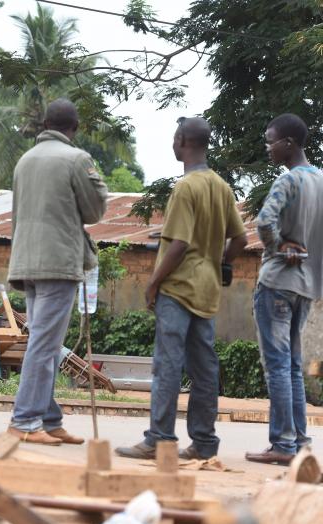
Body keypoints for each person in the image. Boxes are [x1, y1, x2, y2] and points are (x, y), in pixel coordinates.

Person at [116, 117, 247, 460]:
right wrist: (221, 265)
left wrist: (154, 282)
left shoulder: (185, 187)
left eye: (174, 140)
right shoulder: (221, 186)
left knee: (168, 365)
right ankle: (204, 442)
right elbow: (241, 239)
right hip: (206, 291)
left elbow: (179, 244)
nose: (173, 145)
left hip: (177, 290)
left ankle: (159, 438)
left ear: (181, 140)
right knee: (204, 369)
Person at [6, 98, 108, 445]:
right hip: (58, 264)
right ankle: (25, 422)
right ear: (73, 129)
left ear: (44, 124)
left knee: (46, 343)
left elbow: (17, 213)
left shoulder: (25, 160)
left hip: (26, 262)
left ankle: (49, 419)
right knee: (43, 343)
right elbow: (95, 211)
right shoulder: (76, 159)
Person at [245, 113, 323, 465]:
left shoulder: (288, 181)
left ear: (288, 143)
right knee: (291, 365)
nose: (267, 147)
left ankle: (282, 444)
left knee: (277, 365)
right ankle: (300, 442)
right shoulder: (321, 180)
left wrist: (279, 247)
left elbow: (264, 222)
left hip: (278, 282)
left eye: (270, 140)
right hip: (307, 286)